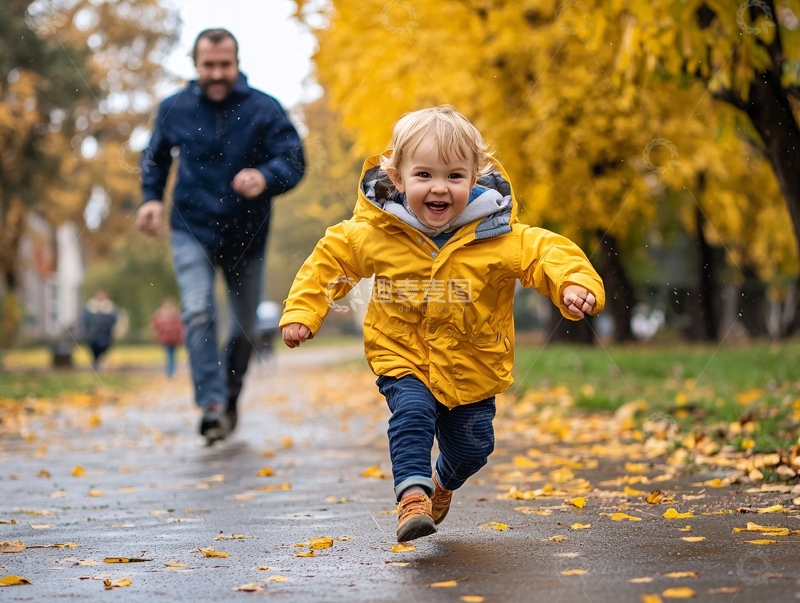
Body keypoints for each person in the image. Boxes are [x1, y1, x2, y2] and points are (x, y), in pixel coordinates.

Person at [280, 106, 605, 542]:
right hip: (402, 353)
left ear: (475, 177)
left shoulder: (497, 235)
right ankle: (411, 498)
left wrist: (573, 283)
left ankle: (441, 484)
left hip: (473, 365)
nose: (439, 188)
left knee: (474, 448)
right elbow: (329, 263)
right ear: (398, 178)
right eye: (424, 175)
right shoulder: (375, 231)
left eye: (454, 176)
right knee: (411, 412)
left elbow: (547, 253)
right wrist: (304, 311)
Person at [135, 28, 304, 444]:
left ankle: (228, 399)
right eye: (208, 65)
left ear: (237, 62)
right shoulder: (173, 108)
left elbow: (295, 160)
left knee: (245, 328)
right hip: (190, 227)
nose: (216, 73)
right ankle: (210, 405)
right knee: (197, 310)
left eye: (224, 65)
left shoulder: (264, 108)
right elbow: (154, 159)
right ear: (195, 65)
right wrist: (151, 199)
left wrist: (265, 176)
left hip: (247, 235)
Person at [82, 290, 118, 371]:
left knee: (103, 350)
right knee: (94, 351)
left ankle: (101, 365)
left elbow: (113, 321)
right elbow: (85, 322)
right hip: (93, 335)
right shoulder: (90, 308)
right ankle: (95, 364)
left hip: (105, 335)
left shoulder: (110, 308)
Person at [151, 299, 184, 377]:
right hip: (168, 340)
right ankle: (170, 371)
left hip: (171, 340)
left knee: (171, 356)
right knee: (170, 356)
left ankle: (170, 371)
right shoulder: (173, 315)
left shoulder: (164, 316)